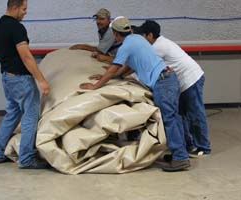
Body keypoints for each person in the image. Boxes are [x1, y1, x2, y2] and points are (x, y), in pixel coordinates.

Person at [80, 17, 190, 172]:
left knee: (169, 119)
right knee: (174, 118)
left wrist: (96, 86)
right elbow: (131, 65)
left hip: (163, 82)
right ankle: (180, 153)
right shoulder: (137, 39)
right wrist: (115, 76)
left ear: (116, 34)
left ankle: (180, 158)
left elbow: (114, 67)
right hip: (169, 78)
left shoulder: (126, 45)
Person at [137, 20, 211, 157]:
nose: (142, 40)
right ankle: (188, 145)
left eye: (143, 36)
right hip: (182, 83)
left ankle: (204, 147)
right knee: (181, 115)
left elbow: (144, 65)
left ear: (150, 35)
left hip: (191, 79)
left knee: (195, 114)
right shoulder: (161, 42)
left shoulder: (158, 47)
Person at [0, 0, 50, 169]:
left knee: (11, 114)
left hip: (7, 77)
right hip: (21, 79)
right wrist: (42, 80)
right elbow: (26, 57)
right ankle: (26, 159)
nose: (25, 12)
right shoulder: (16, 27)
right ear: (15, 7)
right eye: (24, 9)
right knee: (30, 116)